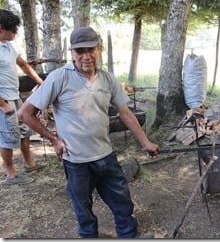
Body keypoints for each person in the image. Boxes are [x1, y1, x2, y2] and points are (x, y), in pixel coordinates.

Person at [17, 26, 160, 238]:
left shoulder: (107, 79)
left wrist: (145, 142)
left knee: (122, 202)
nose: (86, 56)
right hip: (76, 160)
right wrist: (53, 140)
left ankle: (129, 236)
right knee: (83, 209)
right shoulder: (59, 78)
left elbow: (126, 113)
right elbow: (25, 113)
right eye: (79, 51)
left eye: (91, 49)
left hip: (105, 155)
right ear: (72, 53)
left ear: (99, 49)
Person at [0, 9, 45, 185]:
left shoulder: (8, 46)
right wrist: (2, 104)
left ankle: (30, 164)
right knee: (8, 135)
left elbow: (24, 65)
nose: (15, 33)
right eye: (13, 30)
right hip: (4, 99)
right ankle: (11, 174)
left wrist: (41, 81)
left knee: (25, 130)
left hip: (15, 96)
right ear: (1, 28)